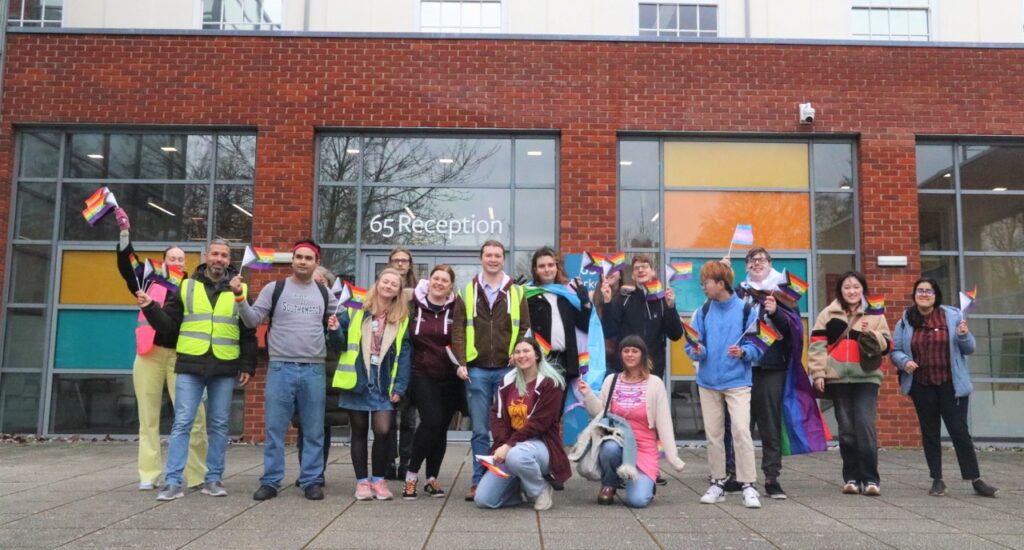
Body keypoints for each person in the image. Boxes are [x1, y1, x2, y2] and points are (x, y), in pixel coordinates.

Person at [137, 238, 256, 501]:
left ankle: (213, 479)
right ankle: (172, 481)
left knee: (219, 425)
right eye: (215, 254)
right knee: (182, 423)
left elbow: (248, 331)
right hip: (191, 364)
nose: (219, 259)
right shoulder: (186, 286)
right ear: (206, 255)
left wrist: (247, 364)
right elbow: (168, 325)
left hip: (224, 365)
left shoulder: (240, 289)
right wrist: (150, 307)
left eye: (224, 255)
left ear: (229, 259)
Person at [233, 239, 339, 502]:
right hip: (280, 368)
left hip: (314, 368)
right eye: (299, 257)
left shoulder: (326, 294)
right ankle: (270, 481)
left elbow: (341, 327)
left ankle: (311, 480)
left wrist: (338, 326)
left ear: (316, 263)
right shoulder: (275, 288)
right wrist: (239, 297)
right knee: (274, 429)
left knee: (314, 430)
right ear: (293, 260)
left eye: (309, 258)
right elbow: (252, 319)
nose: (303, 261)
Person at [114, 210, 208, 491]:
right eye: (172, 258)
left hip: (182, 358)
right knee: (148, 418)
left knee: (195, 418)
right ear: (163, 261)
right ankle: (149, 474)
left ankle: (196, 475)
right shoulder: (147, 279)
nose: (177, 261)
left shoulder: (193, 286)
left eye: (181, 259)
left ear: (186, 263)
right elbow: (126, 264)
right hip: (149, 355)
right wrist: (124, 234)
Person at [891, 278, 997, 498]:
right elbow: (896, 350)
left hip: (951, 385)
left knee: (959, 431)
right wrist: (904, 362)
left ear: (935, 295)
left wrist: (963, 335)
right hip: (922, 385)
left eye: (928, 291)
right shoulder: (906, 320)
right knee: (930, 433)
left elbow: (969, 349)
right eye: (920, 291)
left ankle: (975, 479)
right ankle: (937, 479)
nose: (924, 294)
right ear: (914, 295)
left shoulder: (953, 316)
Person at [721, 247, 801, 499]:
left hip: (770, 366)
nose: (757, 263)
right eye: (752, 260)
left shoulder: (782, 294)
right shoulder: (738, 292)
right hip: (741, 366)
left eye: (762, 260)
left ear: (770, 264)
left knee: (769, 423)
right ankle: (737, 474)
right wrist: (724, 275)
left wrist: (776, 312)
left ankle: (771, 477)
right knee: (739, 425)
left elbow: (793, 330)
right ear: (745, 265)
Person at [685, 260, 764, 508]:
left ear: (720, 283)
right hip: (708, 382)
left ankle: (748, 485)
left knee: (741, 431)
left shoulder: (747, 310)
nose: (703, 287)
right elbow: (692, 346)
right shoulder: (703, 311)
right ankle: (718, 481)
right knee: (714, 435)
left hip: (737, 381)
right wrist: (698, 350)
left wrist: (743, 352)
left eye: (706, 282)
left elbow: (758, 347)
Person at [332, 267, 412, 501]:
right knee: (358, 432)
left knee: (383, 431)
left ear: (398, 291)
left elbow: (405, 354)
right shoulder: (356, 308)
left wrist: (400, 386)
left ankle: (379, 479)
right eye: (385, 281)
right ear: (377, 283)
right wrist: (335, 328)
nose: (388, 286)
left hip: (384, 381)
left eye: (394, 284)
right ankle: (361, 482)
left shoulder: (401, 317)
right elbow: (338, 343)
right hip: (358, 378)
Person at [578, 335, 686, 508]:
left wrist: (673, 458)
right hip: (617, 439)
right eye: (625, 351)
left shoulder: (655, 383)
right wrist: (588, 394)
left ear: (642, 355)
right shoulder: (611, 380)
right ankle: (609, 484)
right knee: (609, 448)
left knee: (638, 501)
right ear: (620, 355)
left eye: (634, 351)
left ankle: (644, 483)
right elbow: (599, 413)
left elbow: (664, 423)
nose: (629, 354)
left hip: (643, 446)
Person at [809, 271, 891, 496]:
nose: (852, 291)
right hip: (837, 377)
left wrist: (872, 333)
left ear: (862, 289)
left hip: (867, 376)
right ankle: (851, 478)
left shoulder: (875, 313)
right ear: (840, 291)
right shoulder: (828, 314)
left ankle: (871, 479)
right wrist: (818, 374)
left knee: (864, 425)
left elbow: (887, 345)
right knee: (846, 429)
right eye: (847, 287)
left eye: (856, 287)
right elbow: (816, 345)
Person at [461, 240, 530, 501]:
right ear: (481, 259)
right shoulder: (467, 291)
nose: (493, 259)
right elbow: (458, 328)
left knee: (511, 429)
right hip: (477, 369)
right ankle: (478, 481)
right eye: (488, 255)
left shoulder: (517, 291)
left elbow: (524, 326)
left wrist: (519, 352)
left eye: (497, 255)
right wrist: (461, 362)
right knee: (480, 430)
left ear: (503, 259)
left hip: (508, 369)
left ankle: (510, 480)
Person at [474, 338, 569, 511]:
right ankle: (520, 487)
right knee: (484, 500)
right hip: (512, 447)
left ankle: (539, 489)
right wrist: (502, 444)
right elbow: (497, 415)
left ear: (537, 355)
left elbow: (539, 423)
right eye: (517, 352)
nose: (521, 355)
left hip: (542, 446)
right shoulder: (507, 382)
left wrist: (509, 445)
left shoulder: (551, 383)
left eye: (526, 351)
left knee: (517, 455)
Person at [402, 265, 469, 499]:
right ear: (429, 281)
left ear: (451, 286)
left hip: (450, 375)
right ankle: (411, 475)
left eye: (445, 280)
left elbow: (462, 336)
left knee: (441, 428)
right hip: (422, 372)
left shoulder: (457, 307)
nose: (439, 283)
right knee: (430, 421)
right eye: (436, 278)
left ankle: (432, 478)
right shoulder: (413, 304)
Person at [291, 266, 345, 489]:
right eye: (314, 281)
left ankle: (317, 472)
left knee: (322, 426)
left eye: (322, 282)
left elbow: (341, 344)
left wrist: (335, 330)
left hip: (327, 374)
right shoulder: (297, 309)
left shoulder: (338, 312)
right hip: (300, 370)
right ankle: (306, 470)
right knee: (304, 425)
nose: (317, 285)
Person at [600, 254, 684, 378]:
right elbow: (608, 331)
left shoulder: (662, 300)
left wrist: (671, 307)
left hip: (653, 370)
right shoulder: (623, 298)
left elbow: (675, 335)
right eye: (636, 268)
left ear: (653, 272)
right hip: (625, 369)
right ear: (633, 275)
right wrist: (607, 302)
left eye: (645, 266)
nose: (640, 270)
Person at [526, 247, 592, 389]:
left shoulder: (567, 294)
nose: (547, 269)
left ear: (557, 267)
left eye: (550, 265)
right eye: (542, 266)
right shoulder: (528, 295)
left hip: (564, 360)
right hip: (540, 360)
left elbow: (585, 326)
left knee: (560, 406)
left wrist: (585, 302)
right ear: (535, 269)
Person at [385, 246, 418, 480]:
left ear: (409, 264)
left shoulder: (419, 292)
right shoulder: (383, 290)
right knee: (387, 417)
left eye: (404, 260)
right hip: (387, 359)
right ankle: (387, 461)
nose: (400, 264)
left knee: (408, 418)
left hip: (412, 359)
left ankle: (406, 462)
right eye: (395, 260)